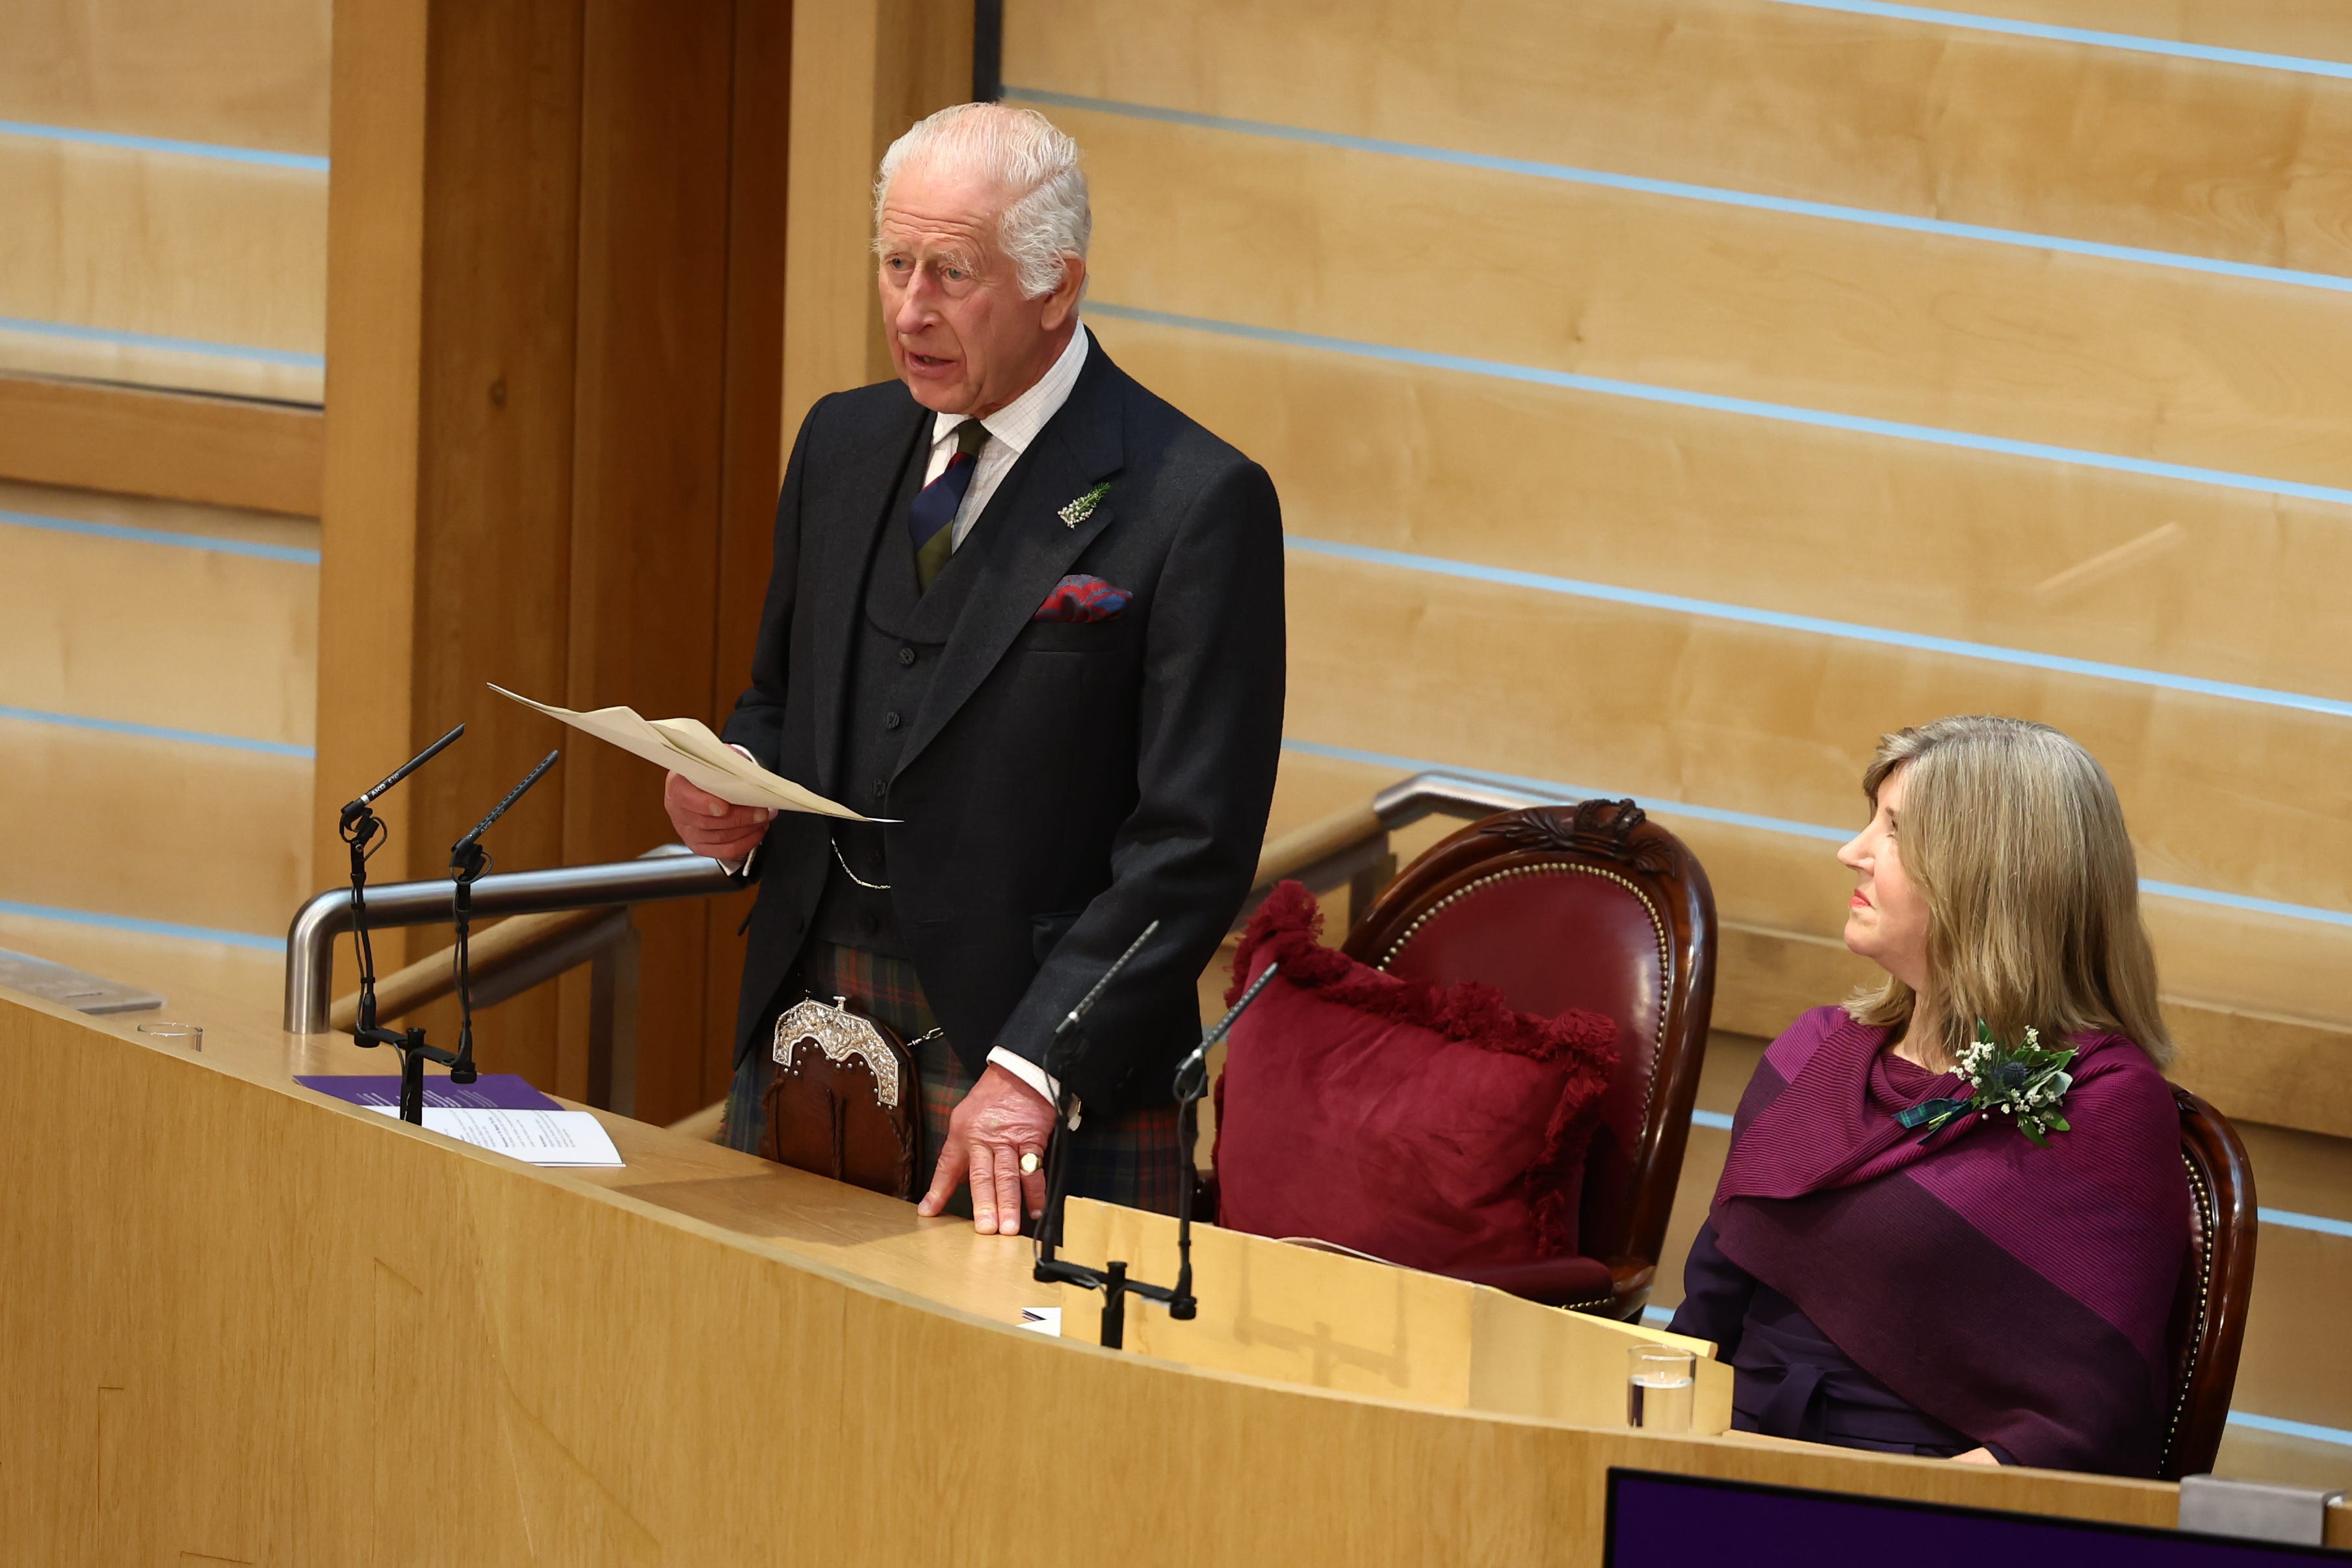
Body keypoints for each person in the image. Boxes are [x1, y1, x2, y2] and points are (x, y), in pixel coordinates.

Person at [660, 103, 1285, 1235]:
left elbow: (1191, 848)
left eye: (952, 273)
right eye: (895, 263)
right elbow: (776, 697)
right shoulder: (841, 444)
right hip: (808, 1020)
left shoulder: (1193, 501)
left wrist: (1034, 1066)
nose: (910, 309)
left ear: (1057, 287)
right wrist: (730, 774)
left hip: (1038, 1074)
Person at [1669, 716, 2191, 1476]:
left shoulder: (2106, 1104)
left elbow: (2084, 1426)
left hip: (1921, 1507)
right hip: (1722, 1461)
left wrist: (1874, 1517)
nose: (1852, 851)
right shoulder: (1812, 1052)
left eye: (1895, 830)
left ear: (1990, 876)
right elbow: (1704, 1316)